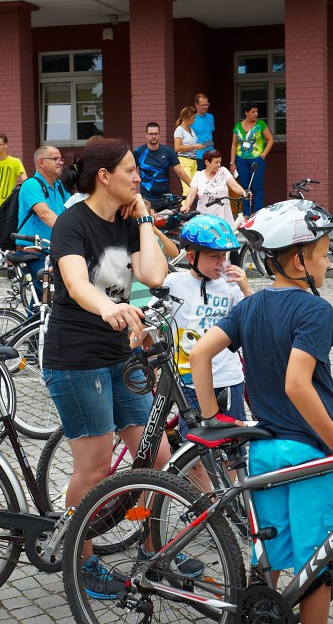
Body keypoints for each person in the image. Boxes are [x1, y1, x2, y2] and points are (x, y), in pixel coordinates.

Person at [189, 199, 333, 624]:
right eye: (324, 254)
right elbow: (297, 383)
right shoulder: (315, 310)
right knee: (315, 570)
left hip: (266, 452)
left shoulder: (249, 306)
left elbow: (199, 354)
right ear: (298, 259)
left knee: (268, 560)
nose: (328, 263)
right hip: (311, 456)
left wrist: (212, 418)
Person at [45, 137, 191, 599]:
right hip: (75, 357)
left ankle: (153, 548)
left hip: (121, 354)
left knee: (158, 457)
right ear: (104, 177)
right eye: (131, 170)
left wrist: (145, 218)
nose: (138, 177)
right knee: (95, 466)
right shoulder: (73, 223)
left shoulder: (127, 222)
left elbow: (153, 275)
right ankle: (80, 558)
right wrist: (106, 309)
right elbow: (75, 280)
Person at [164, 214, 251, 437]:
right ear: (191, 257)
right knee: (193, 447)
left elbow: (251, 321)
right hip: (188, 380)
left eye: (224, 255)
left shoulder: (230, 287)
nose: (222, 262)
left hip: (227, 377)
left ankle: (230, 474)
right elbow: (157, 319)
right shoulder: (175, 284)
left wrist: (246, 288)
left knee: (233, 444)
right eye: (215, 256)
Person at [15, 145, 69, 301]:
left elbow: (73, 212)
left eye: (61, 159)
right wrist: (72, 232)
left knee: (42, 303)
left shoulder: (59, 187)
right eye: (54, 159)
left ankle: (34, 324)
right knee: (50, 296)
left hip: (52, 251)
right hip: (34, 253)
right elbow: (45, 215)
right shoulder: (32, 185)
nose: (60, 162)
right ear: (41, 163)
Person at [231, 103, 275, 214]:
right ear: (246, 113)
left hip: (257, 159)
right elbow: (234, 145)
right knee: (245, 187)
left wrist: (264, 154)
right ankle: (246, 213)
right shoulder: (238, 126)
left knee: (257, 187)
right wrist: (232, 162)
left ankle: (257, 213)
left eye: (257, 112)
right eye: (253, 112)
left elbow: (270, 139)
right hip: (241, 160)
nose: (256, 114)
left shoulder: (260, 124)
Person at [133, 122, 187, 209]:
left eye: (156, 134)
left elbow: (181, 172)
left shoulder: (168, 151)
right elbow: (130, 173)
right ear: (146, 135)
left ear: (159, 135)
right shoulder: (138, 152)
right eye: (151, 134)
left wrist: (194, 187)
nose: (153, 136)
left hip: (166, 200)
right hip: (147, 200)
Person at [181, 150, 246, 221]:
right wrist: (187, 206)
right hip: (204, 219)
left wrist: (244, 192)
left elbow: (234, 186)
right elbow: (191, 195)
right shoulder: (198, 175)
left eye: (220, 162)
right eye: (216, 162)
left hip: (223, 217)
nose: (219, 165)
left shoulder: (223, 171)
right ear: (207, 162)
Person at [173, 106, 204, 197]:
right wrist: (194, 146)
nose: (194, 120)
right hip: (184, 161)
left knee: (195, 188)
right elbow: (177, 148)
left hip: (193, 161)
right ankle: (184, 209)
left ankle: (193, 209)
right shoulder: (179, 130)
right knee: (188, 190)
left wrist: (198, 146)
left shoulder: (191, 129)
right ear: (186, 118)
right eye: (193, 118)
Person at [192, 93, 216, 172]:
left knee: (213, 178)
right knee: (201, 179)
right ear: (196, 105)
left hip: (211, 152)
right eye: (203, 105)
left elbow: (210, 133)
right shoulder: (192, 119)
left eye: (207, 104)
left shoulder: (210, 117)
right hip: (199, 155)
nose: (206, 107)